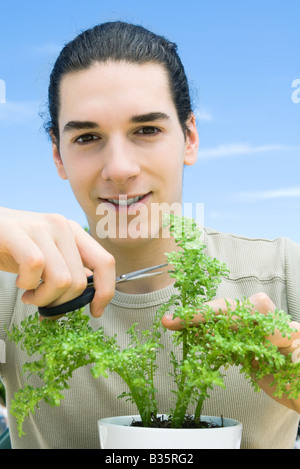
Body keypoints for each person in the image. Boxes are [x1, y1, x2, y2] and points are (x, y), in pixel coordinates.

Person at [0, 21, 299, 449]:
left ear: (190, 137)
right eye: (87, 137)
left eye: (146, 130)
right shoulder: (17, 283)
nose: (119, 168)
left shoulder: (284, 272)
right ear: (57, 155)